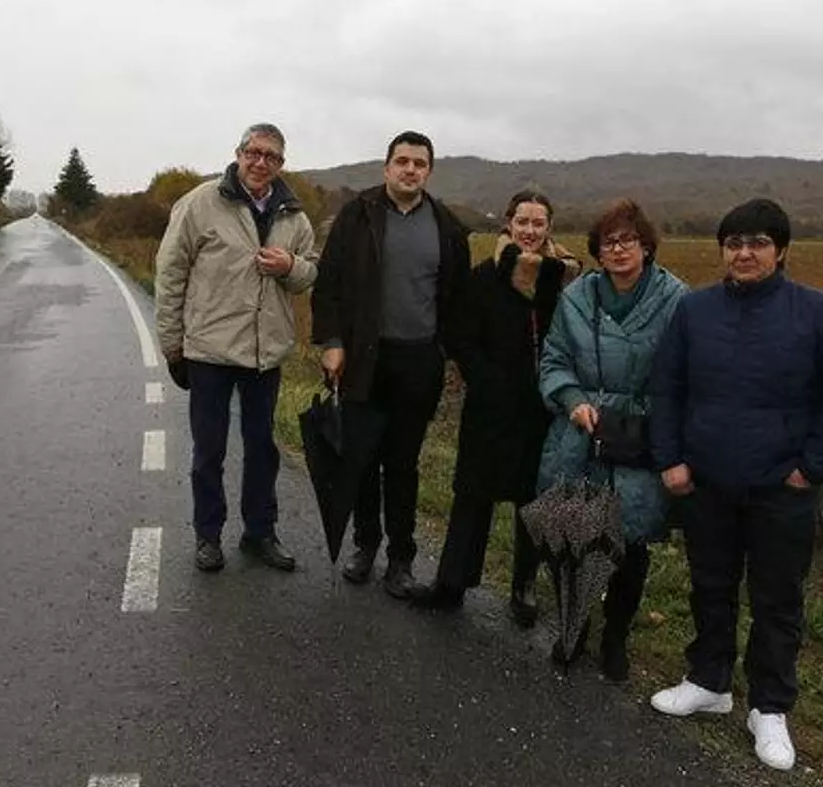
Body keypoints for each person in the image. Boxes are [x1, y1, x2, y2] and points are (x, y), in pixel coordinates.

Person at [647, 199, 823, 773]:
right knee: (710, 584)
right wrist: (671, 459)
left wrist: (810, 469)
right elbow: (666, 389)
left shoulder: (819, 314)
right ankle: (709, 681)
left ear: (782, 250)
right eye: (734, 243)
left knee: (777, 599)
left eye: (758, 243)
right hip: (706, 482)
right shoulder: (694, 311)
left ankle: (769, 707)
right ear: (722, 251)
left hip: (782, 488)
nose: (744, 253)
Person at [311, 131, 473, 598]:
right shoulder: (357, 215)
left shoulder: (447, 226)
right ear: (386, 167)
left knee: (403, 463)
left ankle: (401, 558)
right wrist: (333, 342)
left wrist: (448, 354)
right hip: (365, 357)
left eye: (419, 163)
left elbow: (458, 299)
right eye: (402, 161)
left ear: (429, 172)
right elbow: (329, 283)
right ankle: (366, 545)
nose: (410, 170)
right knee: (362, 458)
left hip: (419, 361)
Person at [409, 190, 583, 618]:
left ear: (549, 228)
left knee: (532, 498)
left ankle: (524, 586)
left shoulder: (566, 280)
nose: (529, 230)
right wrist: (485, 378)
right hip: (489, 404)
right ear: (509, 224)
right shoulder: (485, 276)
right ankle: (452, 582)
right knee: (472, 493)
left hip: (541, 408)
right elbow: (460, 334)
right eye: (522, 221)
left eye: (538, 223)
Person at [534, 198, 688, 680]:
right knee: (570, 535)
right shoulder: (576, 297)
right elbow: (554, 358)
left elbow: (687, 372)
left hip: (639, 437)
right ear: (597, 251)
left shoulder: (677, 300)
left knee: (630, 542)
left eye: (629, 240)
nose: (619, 250)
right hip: (581, 433)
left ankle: (616, 636)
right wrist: (571, 399)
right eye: (609, 242)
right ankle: (573, 626)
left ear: (647, 246)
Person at [154, 123, 319, 573]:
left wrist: (290, 265)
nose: (261, 162)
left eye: (271, 156)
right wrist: (172, 345)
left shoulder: (294, 216)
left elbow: (310, 273)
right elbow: (170, 273)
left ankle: (260, 533)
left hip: (266, 353)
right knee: (209, 451)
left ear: (281, 164)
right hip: (209, 351)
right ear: (238, 153)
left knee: (262, 448)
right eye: (254, 152)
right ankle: (208, 536)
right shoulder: (200, 203)